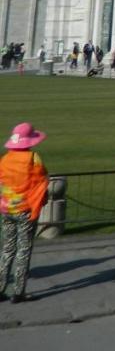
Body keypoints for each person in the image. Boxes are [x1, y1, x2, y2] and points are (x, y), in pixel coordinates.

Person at [0, 122, 49, 303]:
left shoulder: (5, 159)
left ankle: (0, 287)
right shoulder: (33, 158)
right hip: (25, 210)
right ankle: (19, 292)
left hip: (6, 209)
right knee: (24, 249)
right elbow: (41, 180)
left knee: (7, 249)